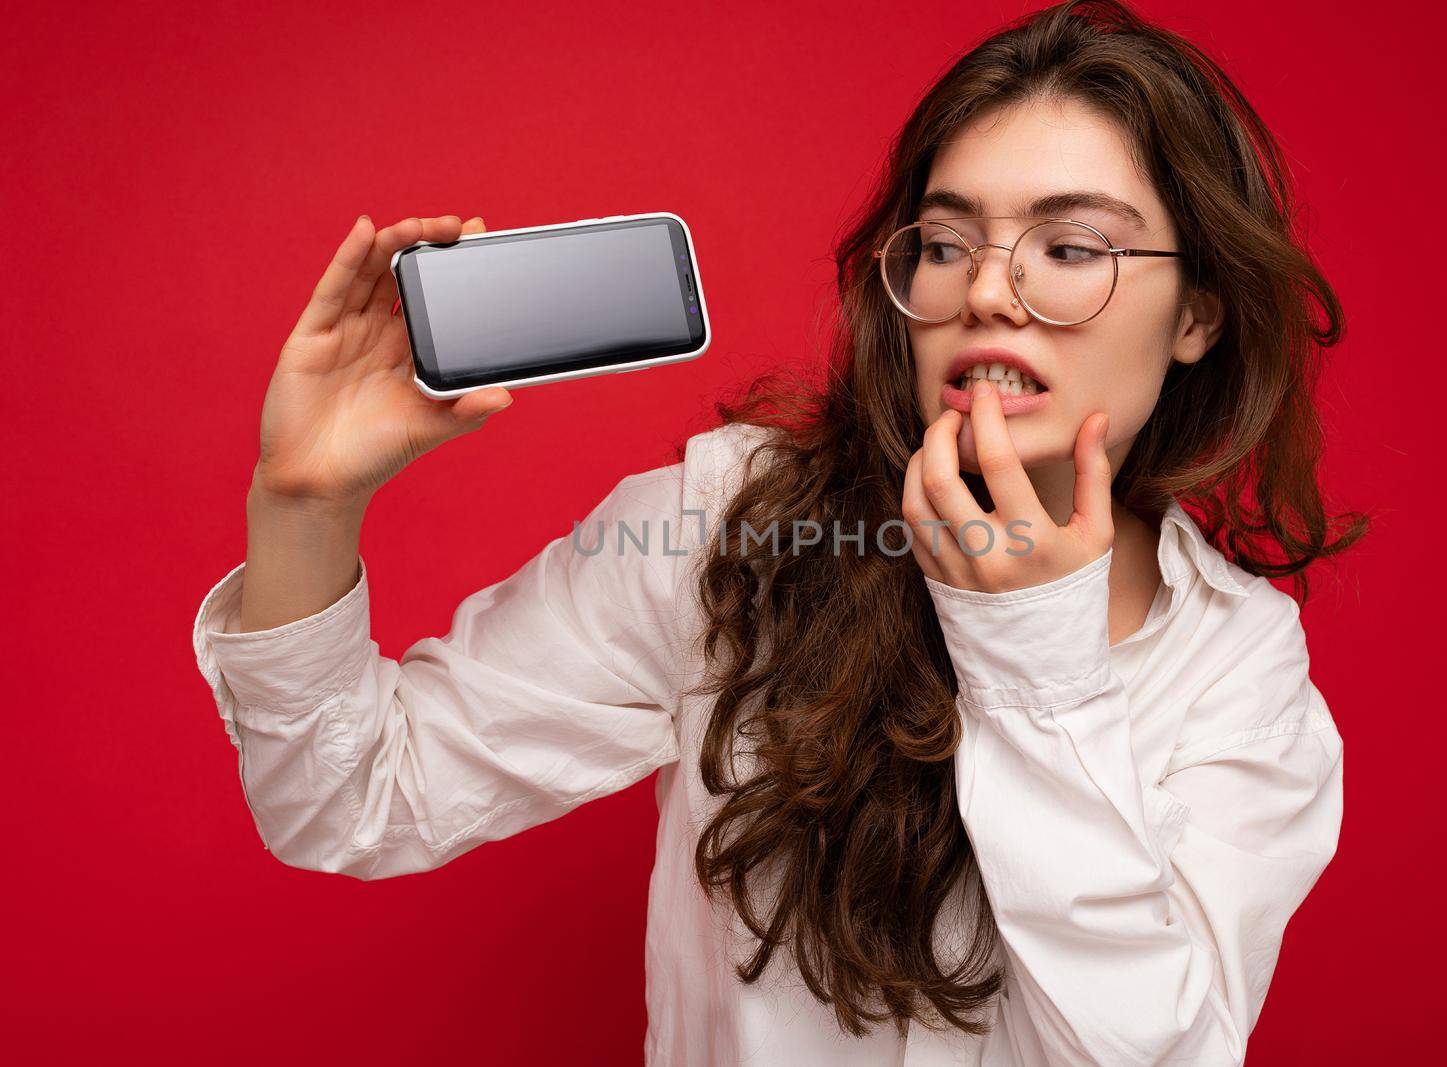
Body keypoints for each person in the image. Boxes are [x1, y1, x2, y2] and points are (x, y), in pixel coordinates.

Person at [191, 1, 1368, 1063]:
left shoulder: (1237, 669)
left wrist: (1033, 648)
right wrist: (304, 502)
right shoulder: (730, 530)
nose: (989, 293)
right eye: (949, 242)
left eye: (1070, 248)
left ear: (1198, 314)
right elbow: (346, 801)